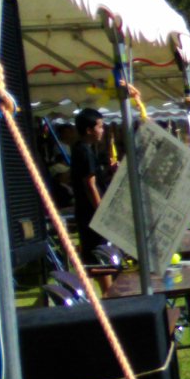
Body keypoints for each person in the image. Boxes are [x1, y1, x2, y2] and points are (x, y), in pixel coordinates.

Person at [68, 108, 115, 263]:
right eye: (100, 127)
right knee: (99, 256)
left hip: (86, 213)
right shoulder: (84, 151)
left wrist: (109, 172)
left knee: (97, 254)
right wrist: (101, 211)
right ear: (89, 130)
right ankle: (104, 280)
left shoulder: (81, 149)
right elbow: (90, 184)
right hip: (90, 213)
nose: (102, 130)